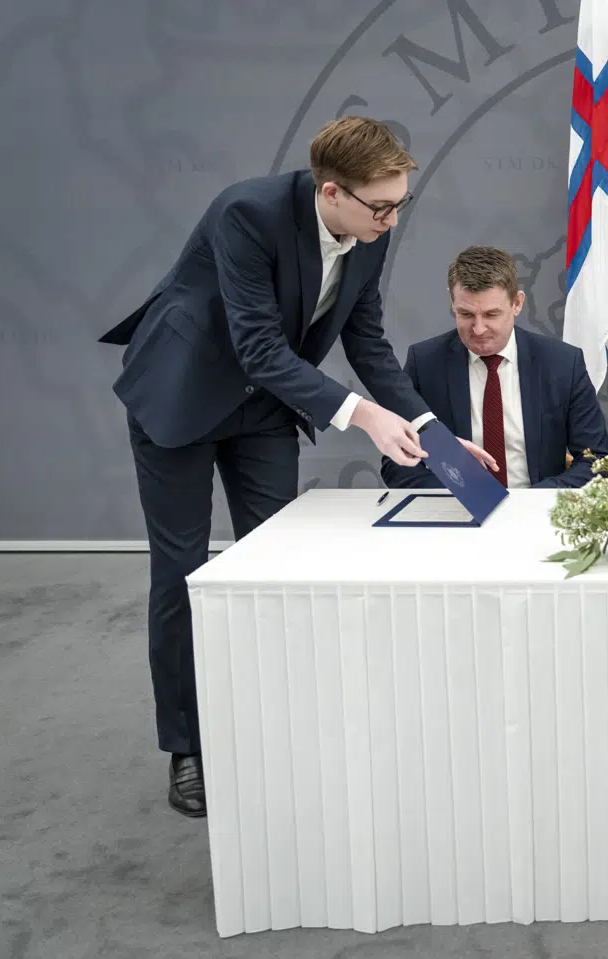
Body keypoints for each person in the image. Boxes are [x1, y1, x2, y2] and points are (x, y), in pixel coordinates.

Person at [98, 117, 497, 818]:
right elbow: (257, 345)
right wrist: (365, 417)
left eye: (402, 202)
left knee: (277, 566)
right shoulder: (245, 213)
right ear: (332, 191)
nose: (393, 218)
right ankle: (187, 747)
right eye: (381, 206)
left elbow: (367, 342)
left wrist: (435, 434)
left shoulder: (371, 229)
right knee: (183, 571)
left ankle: (270, 726)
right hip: (181, 394)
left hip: (261, 407)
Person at [381, 245, 608, 490]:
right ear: (452, 302)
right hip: (458, 513)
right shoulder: (425, 362)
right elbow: (396, 462)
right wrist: (461, 494)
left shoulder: (563, 363)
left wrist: (529, 503)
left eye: (491, 314)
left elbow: (598, 461)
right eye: (466, 314)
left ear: (517, 303)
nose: (479, 329)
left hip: (536, 512)